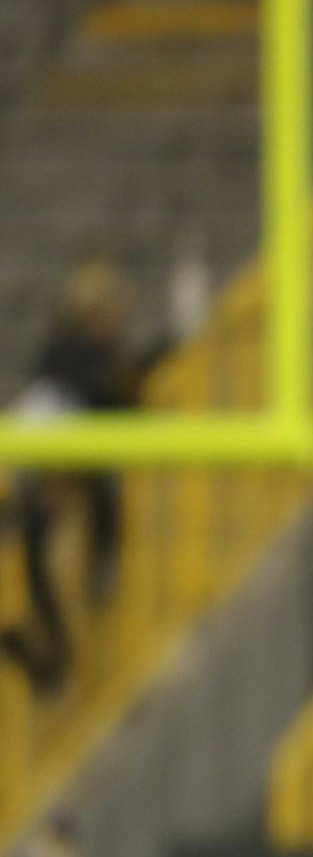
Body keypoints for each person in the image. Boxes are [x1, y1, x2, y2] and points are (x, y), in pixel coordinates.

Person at [3, 261, 163, 691]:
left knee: (74, 501)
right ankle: (54, 644)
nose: (106, 324)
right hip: (49, 446)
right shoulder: (67, 360)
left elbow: (117, 407)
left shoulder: (91, 370)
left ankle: (61, 637)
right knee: (42, 529)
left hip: (56, 453)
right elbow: (107, 399)